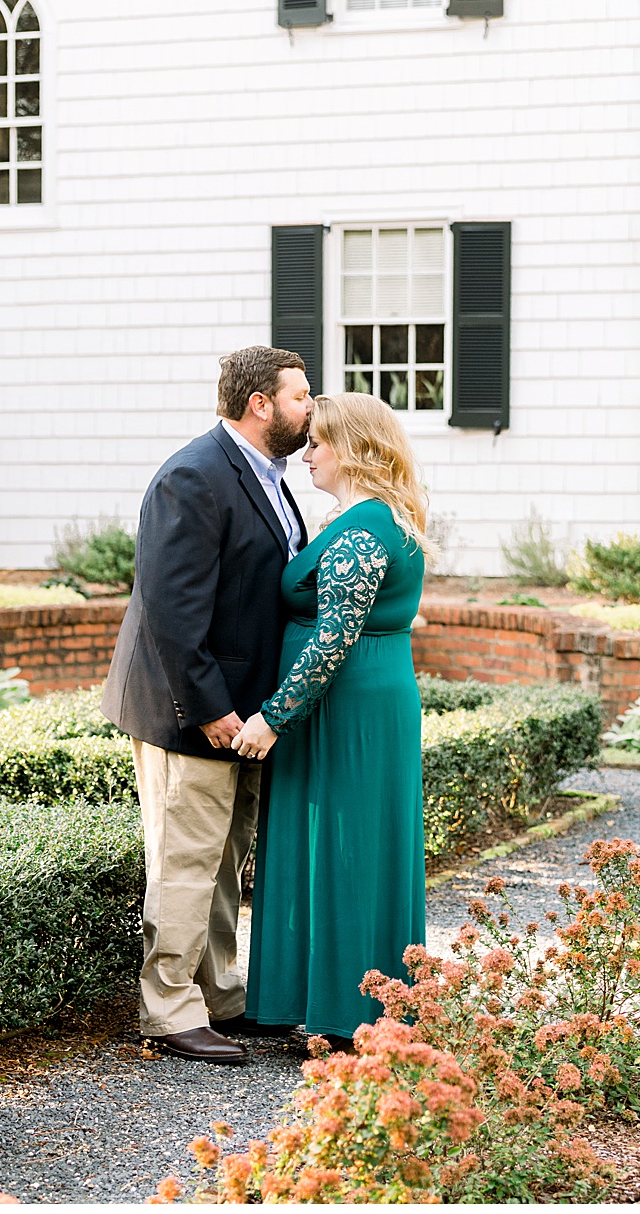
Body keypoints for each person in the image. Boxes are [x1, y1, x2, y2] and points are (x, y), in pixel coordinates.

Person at [101, 346, 312, 1064]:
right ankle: (167, 1008)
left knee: (226, 861)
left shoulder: (270, 477)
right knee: (185, 860)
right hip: (189, 710)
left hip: (244, 714)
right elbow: (169, 609)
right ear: (261, 404)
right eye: (300, 396)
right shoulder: (193, 476)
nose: (309, 408)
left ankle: (218, 993)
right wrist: (213, 708)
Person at [232, 392, 429, 1052]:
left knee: (348, 846)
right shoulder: (367, 518)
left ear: (354, 450)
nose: (306, 453)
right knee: (350, 846)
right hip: (357, 699)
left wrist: (273, 717)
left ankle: (354, 1012)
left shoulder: (366, 528)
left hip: (346, 706)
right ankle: (336, 999)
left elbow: (333, 637)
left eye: (317, 442)